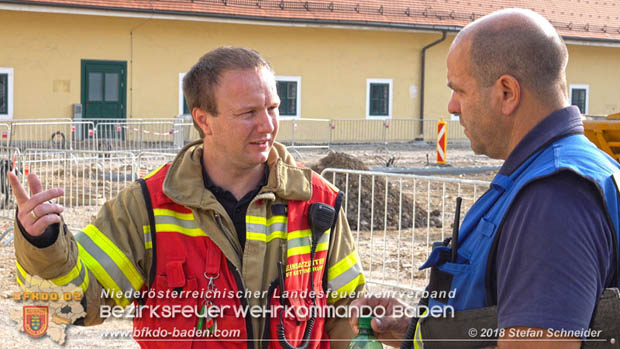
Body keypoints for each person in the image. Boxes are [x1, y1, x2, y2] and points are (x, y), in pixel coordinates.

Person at [10, 47, 366, 348]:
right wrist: (42, 242)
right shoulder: (147, 205)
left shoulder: (319, 202)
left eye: (272, 108)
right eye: (248, 113)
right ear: (203, 120)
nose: (268, 125)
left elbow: (346, 316)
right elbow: (79, 303)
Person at [350, 8, 620, 349]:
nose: (451, 106)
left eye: (460, 91)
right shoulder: (551, 175)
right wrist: (411, 330)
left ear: (507, 92)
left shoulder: (553, 199)